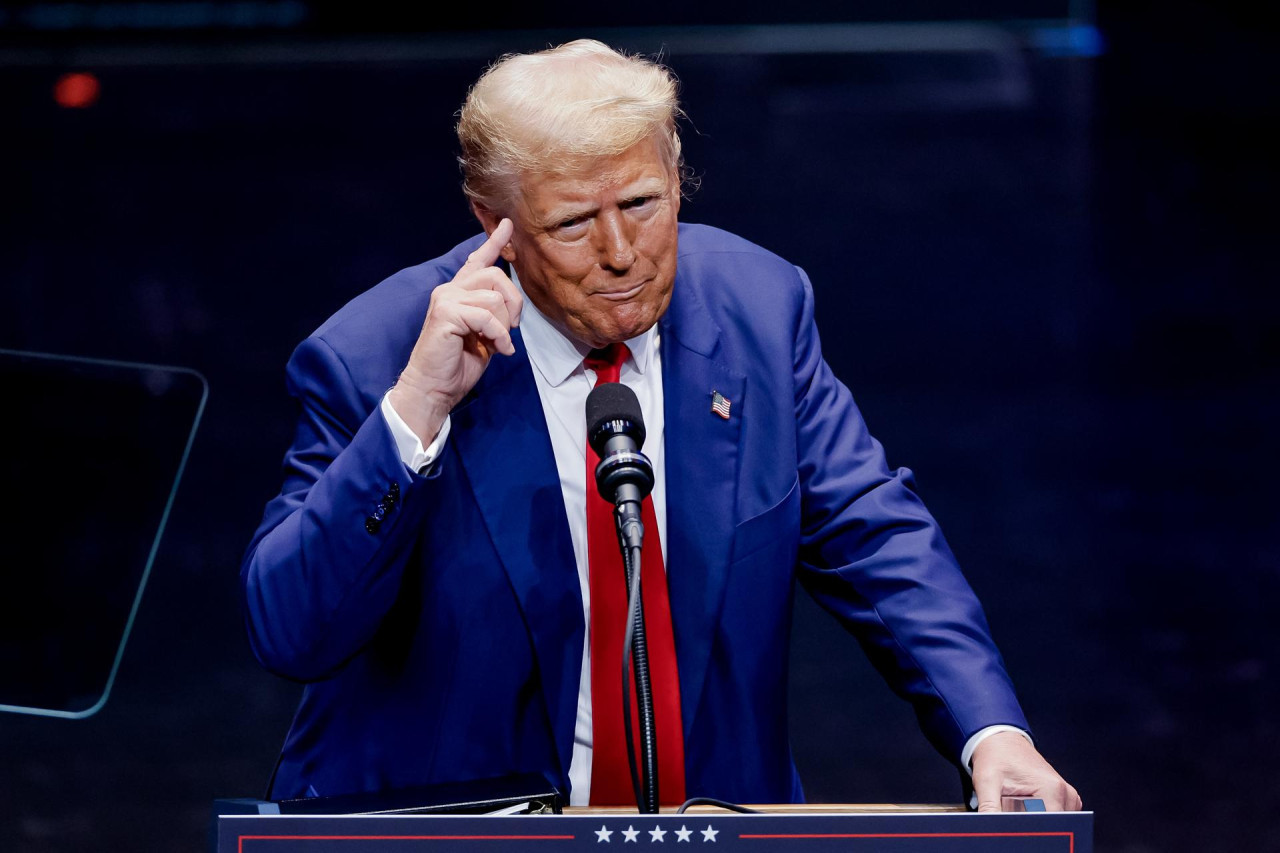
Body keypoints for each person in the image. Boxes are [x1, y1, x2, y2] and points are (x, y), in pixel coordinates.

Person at [241, 39, 1081, 812]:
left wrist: (991, 732)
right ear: (487, 219)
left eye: (643, 202)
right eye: (572, 222)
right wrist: (418, 406)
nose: (621, 251)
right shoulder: (375, 351)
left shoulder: (757, 306)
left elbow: (872, 532)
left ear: (678, 175)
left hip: (699, 821)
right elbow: (290, 629)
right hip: (459, 826)